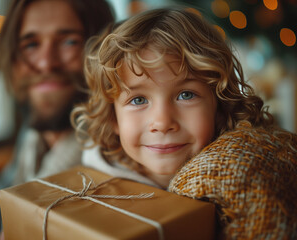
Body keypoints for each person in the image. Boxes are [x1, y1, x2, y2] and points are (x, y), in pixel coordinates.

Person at [72, 7, 297, 239]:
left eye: (186, 95)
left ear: (219, 106)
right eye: (138, 99)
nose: (162, 122)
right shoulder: (90, 178)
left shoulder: (238, 175)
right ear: (113, 118)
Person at [0, 0, 115, 239]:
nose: (45, 62)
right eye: (31, 44)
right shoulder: (35, 133)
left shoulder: (114, 158)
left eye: (69, 41)